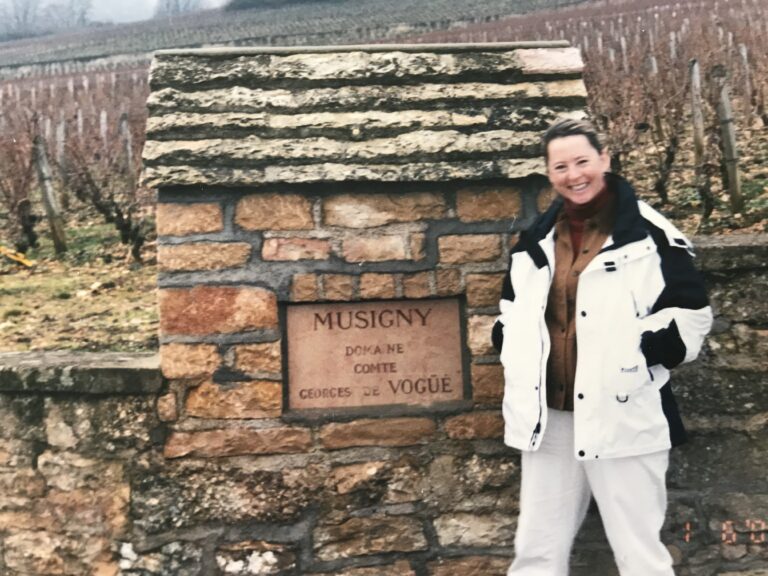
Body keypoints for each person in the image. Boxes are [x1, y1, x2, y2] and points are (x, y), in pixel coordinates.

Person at [491, 118, 712, 576]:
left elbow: (690, 311)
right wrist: (509, 341)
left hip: (623, 414)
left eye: (582, 161)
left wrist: (639, 354)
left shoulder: (649, 235)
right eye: (561, 166)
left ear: (604, 160)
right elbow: (510, 307)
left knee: (639, 555)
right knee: (536, 550)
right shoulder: (534, 240)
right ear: (549, 173)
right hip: (550, 419)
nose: (574, 175)